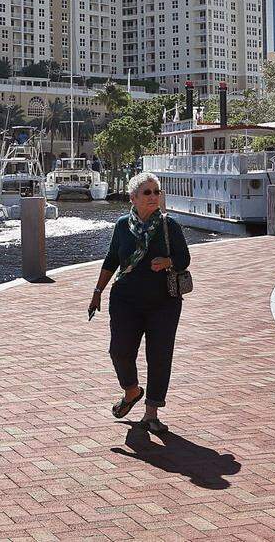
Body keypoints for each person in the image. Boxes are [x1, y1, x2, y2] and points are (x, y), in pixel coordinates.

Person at [88, 171, 190, 433]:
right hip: (125, 301)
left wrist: (168, 262)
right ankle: (131, 391)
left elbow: (184, 258)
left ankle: (151, 413)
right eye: (147, 192)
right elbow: (112, 259)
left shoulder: (169, 225)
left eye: (156, 192)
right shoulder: (123, 225)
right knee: (119, 351)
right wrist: (98, 291)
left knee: (159, 356)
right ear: (133, 197)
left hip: (164, 302)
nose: (153, 196)